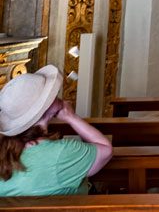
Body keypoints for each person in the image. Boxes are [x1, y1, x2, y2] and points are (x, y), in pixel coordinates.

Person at [0, 65, 113, 196]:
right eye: (50, 94)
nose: (57, 94)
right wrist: (71, 117)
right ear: (44, 108)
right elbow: (106, 150)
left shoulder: (4, 148)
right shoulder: (63, 152)